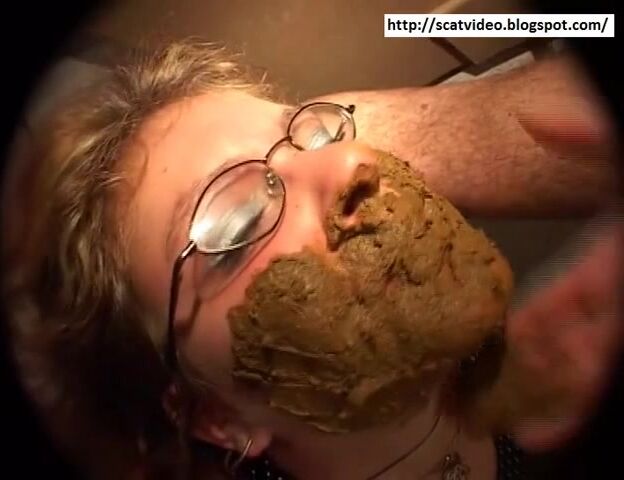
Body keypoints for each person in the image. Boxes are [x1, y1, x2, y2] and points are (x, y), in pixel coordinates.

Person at [1, 39, 620, 480]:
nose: (355, 162)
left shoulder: (535, 362)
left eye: (316, 136)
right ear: (215, 418)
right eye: (238, 223)